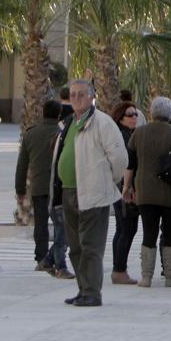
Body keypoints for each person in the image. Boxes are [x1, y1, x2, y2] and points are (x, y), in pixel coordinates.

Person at [51, 79, 128, 307]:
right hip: (68, 192)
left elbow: (120, 158)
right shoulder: (68, 124)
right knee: (75, 247)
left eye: (81, 94)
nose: (76, 98)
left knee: (90, 246)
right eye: (72, 94)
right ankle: (83, 289)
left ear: (92, 96)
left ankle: (93, 293)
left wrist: (105, 181)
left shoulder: (102, 123)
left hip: (93, 193)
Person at [123, 97, 171, 288]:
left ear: (151, 112)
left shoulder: (138, 133)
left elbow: (130, 165)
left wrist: (127, 187)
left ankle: (146, 277)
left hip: (145, 192)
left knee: (148, 233)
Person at [16, 99, 69, 276]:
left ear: (43, 113)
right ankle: (54, 258)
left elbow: (22, 165)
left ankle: (41, 257)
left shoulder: (30, 135)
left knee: (41, 223)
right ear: (59, 115)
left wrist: (20, 190)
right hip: (59, 187)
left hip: (38, 186)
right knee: (61, 225)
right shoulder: (62, 134)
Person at [109, 101, 141, 285]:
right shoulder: (123, 137)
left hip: (122, 187)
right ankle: (119, 270)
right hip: (124, 188)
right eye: (130, 115)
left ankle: (118, 268)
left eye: (135, 114)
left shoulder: (129, 134)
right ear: (120, 118)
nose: (134, 117)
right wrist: (128, 187)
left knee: (123, 228)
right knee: (127, 228)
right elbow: (126, 165)